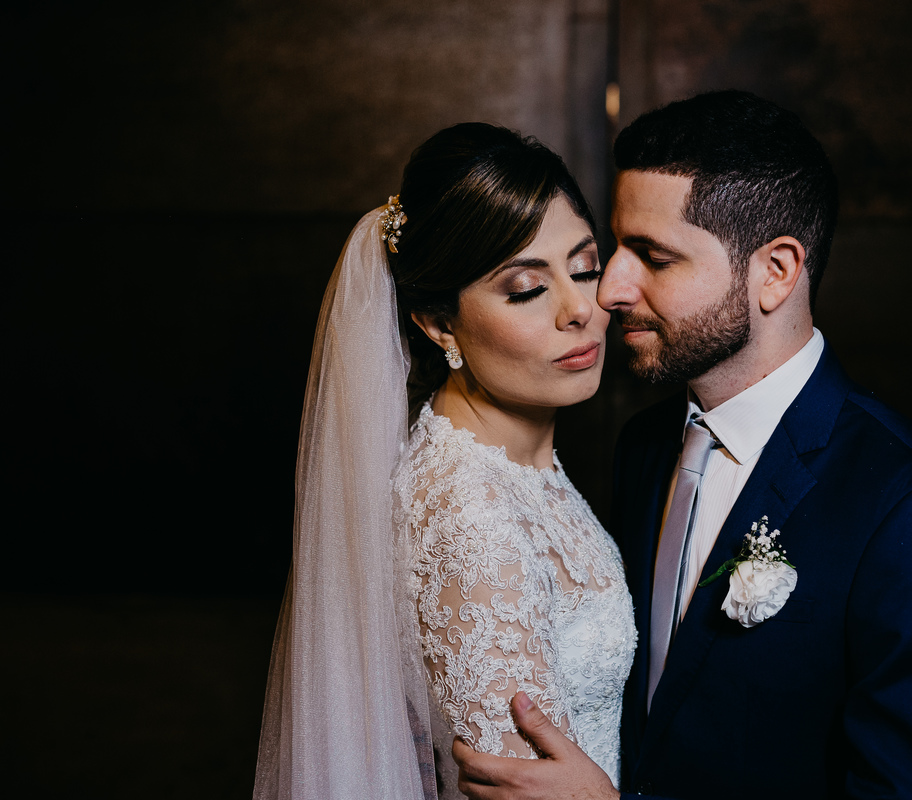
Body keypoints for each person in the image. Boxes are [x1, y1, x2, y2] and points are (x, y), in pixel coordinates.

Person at [453, 91, 912, 799]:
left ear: (776, 271)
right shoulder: (645, 445)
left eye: (654, 256)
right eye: (617, 247)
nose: (609, 289)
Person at [253, 123, 636, 800]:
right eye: (527, 288)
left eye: (584, 267)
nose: (581, 308)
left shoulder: (513, 465)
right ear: (439, 325)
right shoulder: (470, 513)